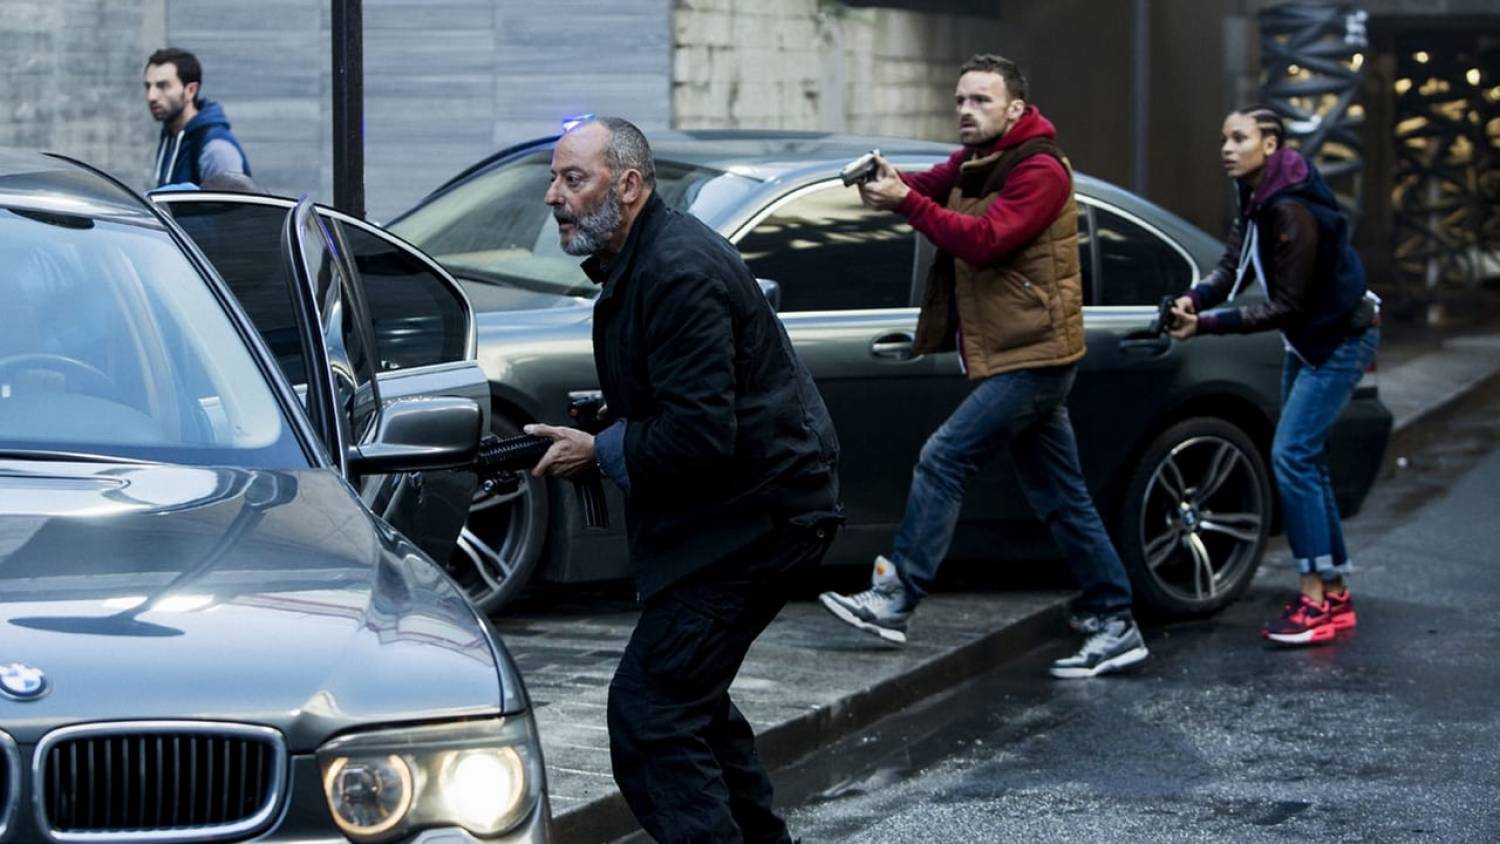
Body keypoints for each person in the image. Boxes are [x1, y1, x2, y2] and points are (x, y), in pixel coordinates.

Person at [525, 117, 841, 843]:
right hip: (737, 518)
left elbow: (700, 435)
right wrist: (617, 415)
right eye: (554, 178)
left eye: (574, 179)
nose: (553, 196)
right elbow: (691, 396)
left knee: (653, 716)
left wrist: (599, 449)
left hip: (761, 523)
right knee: (693, 706)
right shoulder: (644, 260)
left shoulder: (677, 270)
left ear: (629, 186)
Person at [816, 53, 1148, 680]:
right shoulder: (979, 158)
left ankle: (896, 597)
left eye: (981, 101)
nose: (966, 111)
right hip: (1015, 352)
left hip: (1037, 357)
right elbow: (931, 185)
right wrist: (892, 181)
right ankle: (1115, 619)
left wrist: (904, 204)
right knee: (1063, 499)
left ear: (1015, 109)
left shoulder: (1039, 169)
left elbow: (987, 240)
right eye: (961, 100)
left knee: (944, 458)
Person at [1168, 106, 1379, 646]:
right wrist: (1194, 299)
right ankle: (1334, 593)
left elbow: (1286, 305)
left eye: (1239, 138)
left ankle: (1314, 601)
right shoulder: (1257, 193)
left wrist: (1207, 325)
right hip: (1311, 339)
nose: (1227, 148)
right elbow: (1232, 268)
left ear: (1270, 144)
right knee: (1305, 458)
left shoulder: (1290, 208)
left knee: (1292, 456)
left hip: (1340, 339)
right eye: (1224, 137)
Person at [145, 48, 252, 188]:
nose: (151, 96)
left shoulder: (216, 150)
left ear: (191, 90)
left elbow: (231, 202)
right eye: (148, 86)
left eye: (163, 86)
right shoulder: (171, 138)